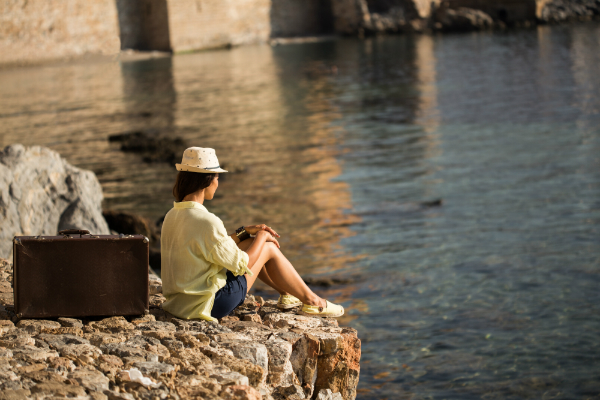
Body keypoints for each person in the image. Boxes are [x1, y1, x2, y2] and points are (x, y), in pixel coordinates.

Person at [161, 147, 344, 322]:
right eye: (217, 177)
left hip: (179, 304)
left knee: (247, 241)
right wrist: (262, 237)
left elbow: (214, 246)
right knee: (269, 248)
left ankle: (287, 294)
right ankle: (314, 302)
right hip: (210, 304)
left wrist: (244, 232)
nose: (218, 183)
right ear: (207, 181)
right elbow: (244, 264)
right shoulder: (207, 221)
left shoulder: (172, 215)